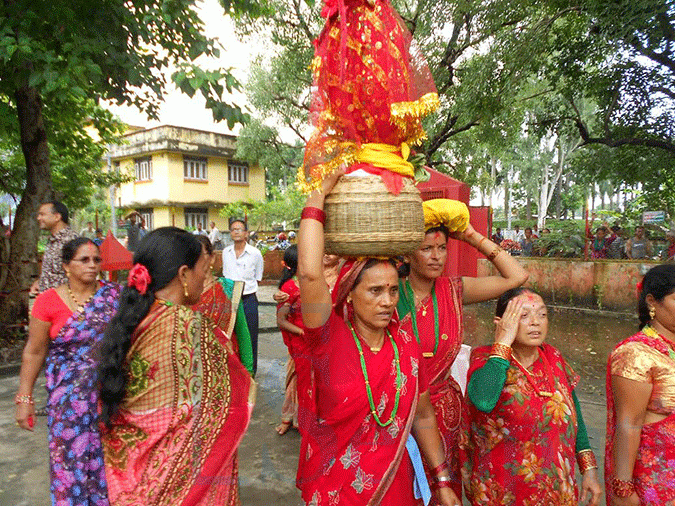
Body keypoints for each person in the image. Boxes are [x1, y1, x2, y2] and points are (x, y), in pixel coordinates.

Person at [296, 172, 460, 506]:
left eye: (392, 290)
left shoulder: (406, 347)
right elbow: (310, 272)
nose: (387, 301)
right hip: (338, 490)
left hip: (396, 486)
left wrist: (442, 479)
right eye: (374, 290)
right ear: (349, 294)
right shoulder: (328, 337)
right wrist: (319, 192)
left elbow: (424, 416)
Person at [97, 227, 254, 505]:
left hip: (132, 474)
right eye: (202, 270)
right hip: (186, 481)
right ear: (183, 274)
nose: (205, 278)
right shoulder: (190, 327)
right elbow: (231, 396)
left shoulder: (134, 318)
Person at [397, 198, 529, 498]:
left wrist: (471, 236)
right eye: (426, 248)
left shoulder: (455, 290)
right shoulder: (389, 291)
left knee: (445, 492)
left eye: (442, 248)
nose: (435, 256)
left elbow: (517, 277)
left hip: (444, 417)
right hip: (397, 413)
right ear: (407, 252)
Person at [463, 287, 602, 506]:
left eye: (542, 314)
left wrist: (589, 469)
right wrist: (503, 344)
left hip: (558, 490)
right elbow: (483, 399)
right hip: (504, 491)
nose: (536, 322)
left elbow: (575, 416)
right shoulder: (485, 358)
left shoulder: (554, 358)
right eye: (523, 315)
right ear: (501, 322)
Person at [15, 237, 121, 506]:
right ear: (65, 265)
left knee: (109, 466)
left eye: (96, 260)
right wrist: (24, 399)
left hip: (109, 397)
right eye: (84, 260)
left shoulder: (115, 296)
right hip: (66, 402)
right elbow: (34, 351)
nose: (92, 265)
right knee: (68, 465)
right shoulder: (47, 301)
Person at [605, 264, 675, 505]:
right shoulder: (635, 354)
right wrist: (623, 489)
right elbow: (629, 424)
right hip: (657, 478)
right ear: (652, 302)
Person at [192, 234, 254, 376]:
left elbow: (242, 330)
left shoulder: (229, 288)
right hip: (195, 373)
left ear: (212, 257)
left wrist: (248, 371)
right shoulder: (184, 293)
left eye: (200, 255)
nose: (195, 260)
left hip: (229, 368)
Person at [222, 219, 264, 375]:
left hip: (248, 300)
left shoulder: (255, 253)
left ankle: (250, 373)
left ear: (246, 233)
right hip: (230, 300)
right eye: (233, 229)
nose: (236, 232)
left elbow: (258, 276)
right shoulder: (226, 253)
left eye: (239, 229)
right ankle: (235, 373)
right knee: (231, 336)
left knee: (251, 336)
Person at [276, 245, 303, 435]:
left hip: (316, 339)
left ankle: (302, 418)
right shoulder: (289, 289)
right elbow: (281, 321)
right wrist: (302, 332)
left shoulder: (312, 282)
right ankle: (289, 417)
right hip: (300, 341)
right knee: (296, 379)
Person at [31, 201, 79, 295]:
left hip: (64, 303)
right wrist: (40, 282)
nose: (38, 218)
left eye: (42, 214)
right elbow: (54, 272)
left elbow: (78, 274)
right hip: (48, 301)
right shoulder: (52, 240)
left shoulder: (71, 240)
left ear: (57, 217)